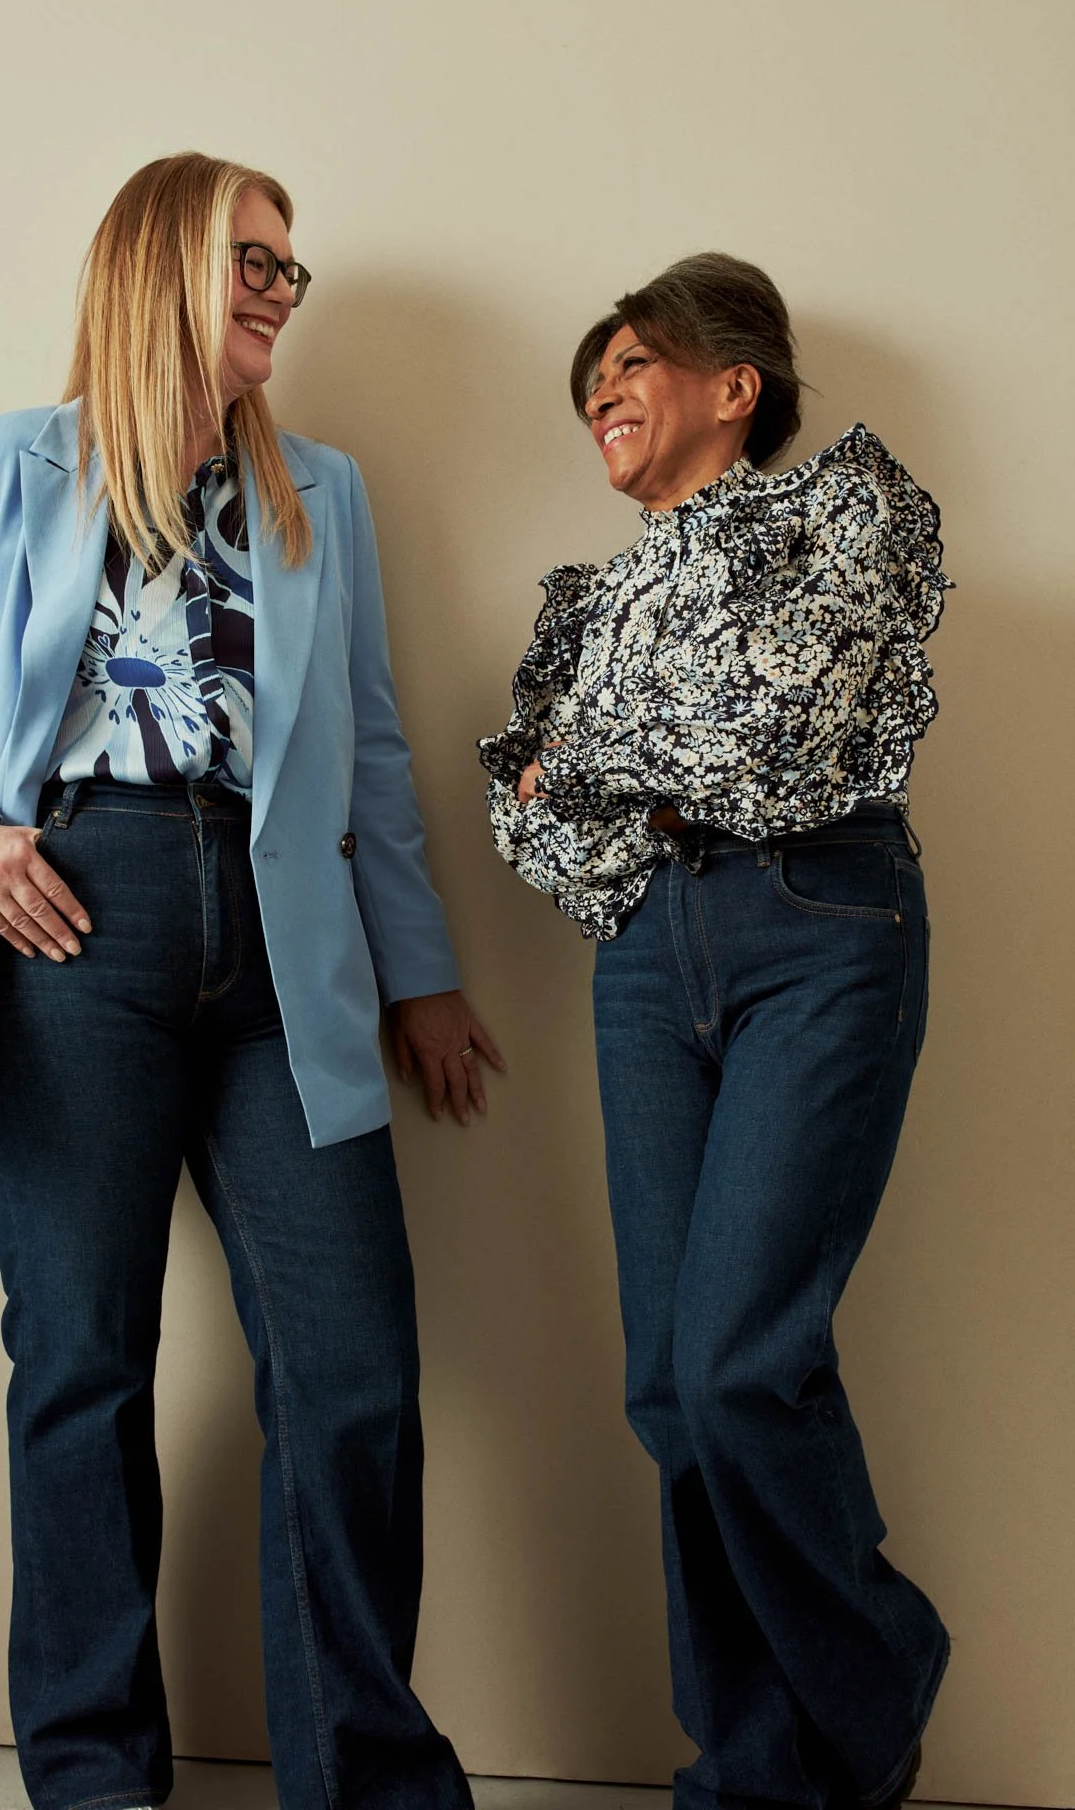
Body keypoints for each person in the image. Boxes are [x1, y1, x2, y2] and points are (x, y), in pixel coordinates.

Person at [0, 151, 502, 1810]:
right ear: (160, 262)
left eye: (294, 269)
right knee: (82, 1363)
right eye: (254, 260)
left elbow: (367, 751)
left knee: (353, 1365)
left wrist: (422, 976)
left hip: (286, 937)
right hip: (75, 913)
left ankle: (365, 1778)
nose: (282, 293)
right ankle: (93, 1779)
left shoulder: (324, 491)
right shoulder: (17, 464)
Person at [479, 254, 949, 1810]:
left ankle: (877, 1694)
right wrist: (576, 784)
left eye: (629, 365)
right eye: (589, 384)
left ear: (734, 385)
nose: (600, 396)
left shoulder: (850, 515)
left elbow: (784, 729)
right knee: (672, 1395)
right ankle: (753, 1778)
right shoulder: (591, 603)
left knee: (743, 1364)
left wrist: (583, 762)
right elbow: (541, 840)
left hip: (817, 928)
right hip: (644, 955)